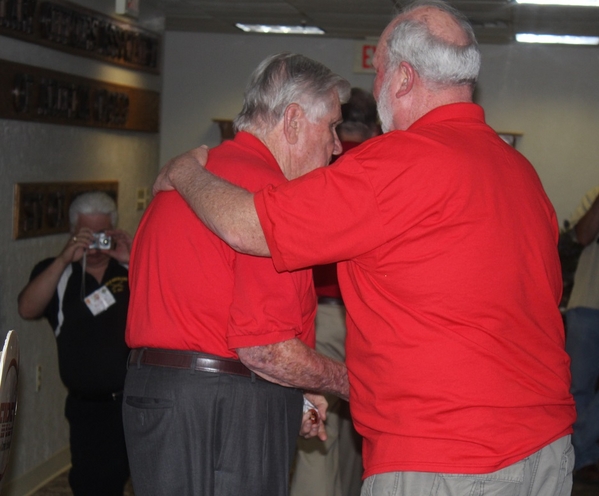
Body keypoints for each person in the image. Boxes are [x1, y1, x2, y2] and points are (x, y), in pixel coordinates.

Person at [153, 1, 577, 494]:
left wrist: (184, 171)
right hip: (545, 448)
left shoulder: (394, 164)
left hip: (446, 456)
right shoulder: (518, 171)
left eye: (377, 72)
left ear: (401, 79)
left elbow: (250, 228)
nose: (374, 89)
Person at [123, 53, 350, 496]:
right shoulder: (269, 196)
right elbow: (265, 349)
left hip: (153, 392)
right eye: (333, 127)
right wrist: (352, 382)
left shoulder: (185, 178)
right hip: (223, 407)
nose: (338, 146)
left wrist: (294, 394)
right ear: (294, 121)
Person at [290, 87, 379, 496]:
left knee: (318, 435)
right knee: (355, 430)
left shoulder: (321, 163)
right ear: (375, 122)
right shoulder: (383, 165)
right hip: (369, 319)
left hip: (323, 313)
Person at [18, 192, 132, 496]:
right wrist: (64, 258)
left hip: (133, 400)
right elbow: (27, 308)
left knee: (145, 479)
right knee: (92, 484)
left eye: (102, 234)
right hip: (87, 408)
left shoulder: (128, 270)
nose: (94, 243)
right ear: (72, 232)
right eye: (87, 234)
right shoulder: (58, 273)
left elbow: (170, 302)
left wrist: (132, 258)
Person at [564, 185, 599, 483]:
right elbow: (582, 235)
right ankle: (582, 458)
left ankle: (582, 451)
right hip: (587, 304)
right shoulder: (594, 194)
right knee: (577, 389)